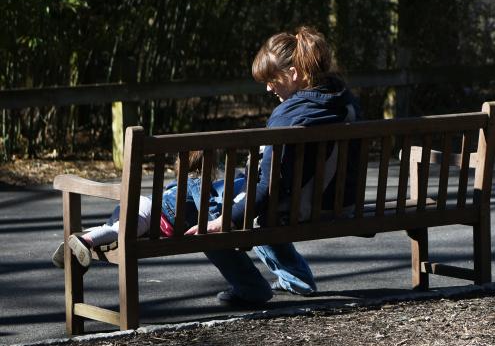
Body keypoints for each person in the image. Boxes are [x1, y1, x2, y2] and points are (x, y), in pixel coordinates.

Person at [187, 26, 361, 308]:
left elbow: (267, 188)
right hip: (342, 204)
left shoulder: (290, 115)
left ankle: (250, 286)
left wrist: (226, 221)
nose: (268, 88)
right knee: (221, 190)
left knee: (197, 188)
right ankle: (294, 276)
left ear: (292, 74)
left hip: (298, 208)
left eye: (271, 79)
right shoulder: (346, 101)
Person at [52, 152, 244, 271]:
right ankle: (85, 241)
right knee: (120, 231)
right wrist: (224, 218)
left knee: (111, 228)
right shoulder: (197, 180)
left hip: (145, 208)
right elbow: (208, 209)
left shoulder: (181, 181)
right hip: (149, 213)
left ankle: (75, 242)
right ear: (209, 166)